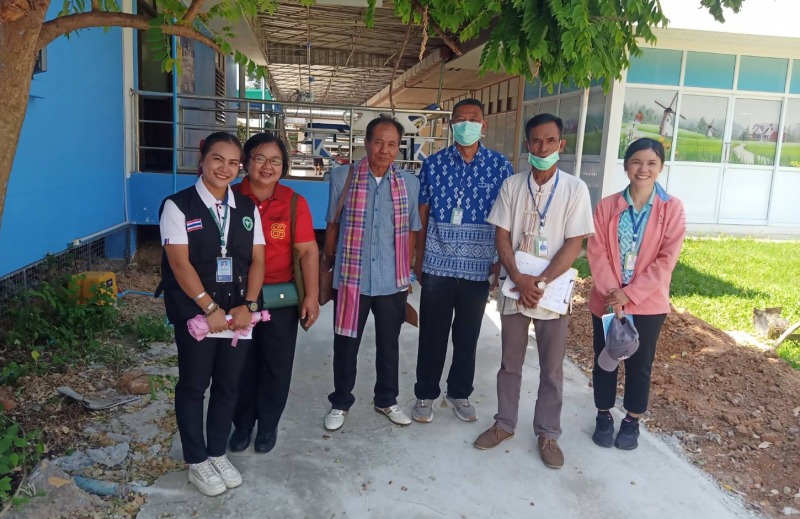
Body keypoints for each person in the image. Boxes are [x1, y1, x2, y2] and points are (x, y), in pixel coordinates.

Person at [473, 114, 594, 469]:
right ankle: (504, 424)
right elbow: (501, 235)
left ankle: (548, 433)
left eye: (550, 140)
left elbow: (574, 243)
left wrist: (540, 283)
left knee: (551, 367)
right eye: (536, 142)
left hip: (552, 292)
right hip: (515, 286)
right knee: (510, 362)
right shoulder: (513, 185)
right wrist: (519, 279)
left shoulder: (575, 189)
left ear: (562, 144)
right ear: (527, 146)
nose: (542, 147)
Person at [158, 132, 265, 496]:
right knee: (193, 385)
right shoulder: (178, 206)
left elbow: (258, 260)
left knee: (228, 384)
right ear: (202, 158)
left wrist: (248, 305)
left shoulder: (247, 209)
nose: (226, 168)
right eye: (218, 159)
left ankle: (217, 451)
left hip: (237, 315)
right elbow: (178, 262)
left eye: (234, 163)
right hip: (198, 314)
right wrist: (210, 307)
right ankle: (197, 461)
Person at [412, 98, 513, 424]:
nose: (467, 124)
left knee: (467, 336)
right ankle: (425, 394)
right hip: (438, 264)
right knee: (432, 335)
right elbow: (423, 213)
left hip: (479, 267)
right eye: (460, 119)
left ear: (483, 125)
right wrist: (418, 257)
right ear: (451, 125)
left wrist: (500, 262)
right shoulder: (434, 164)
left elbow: (505, 219)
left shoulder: (501, 167)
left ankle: (459, 393)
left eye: (474, 119)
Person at [321, 116, 422, 431]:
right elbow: (333, 224)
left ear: (398, 148)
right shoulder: (342, 176)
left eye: (392, 144)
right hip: (351, 279)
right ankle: (340, 402)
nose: (384, 149)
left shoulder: (409, 183)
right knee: (345, 343)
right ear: (365, 143)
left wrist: (407, 275)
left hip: (391, 280)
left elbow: (411, 230)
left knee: (389, 344)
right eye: (378, 141)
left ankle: (386, 400)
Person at [587, 138, 686, 450]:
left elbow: (666, 260)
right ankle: (603, 414)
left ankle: (631, 420)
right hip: (606, 300)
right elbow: (597, 251)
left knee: (640, 364)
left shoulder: (672, 208)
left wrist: (630, 296)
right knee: (605, 359)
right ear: (626, 165)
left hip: (647, 304)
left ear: (660, 168)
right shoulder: (607, 206)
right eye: (636, 162)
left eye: (651, 163)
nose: (643, 169)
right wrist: (612, 295)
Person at [228, 133, 320, 454]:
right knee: (239, 365)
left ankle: (267, 426)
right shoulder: (228, 197)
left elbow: (308, 252)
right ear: (247, 162)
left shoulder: (294, 203)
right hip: (236, 299)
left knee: (276, 365)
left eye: (276, 160)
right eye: (260, 158)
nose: (268, 166)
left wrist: (311, 295)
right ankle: (241, 424)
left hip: (279, 300)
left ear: (284, 166)